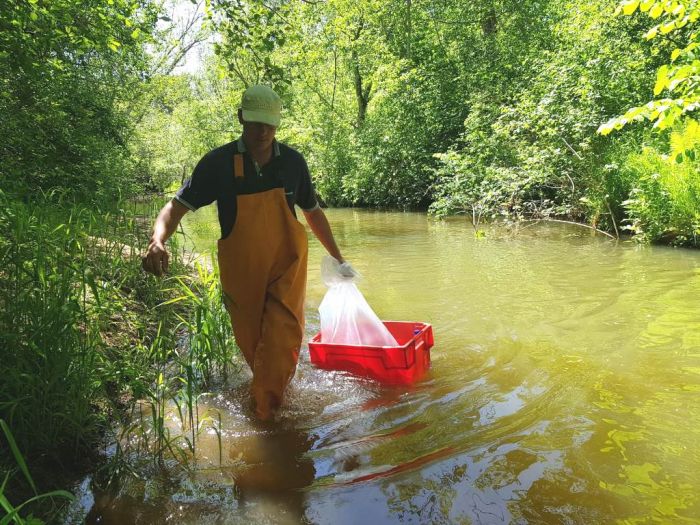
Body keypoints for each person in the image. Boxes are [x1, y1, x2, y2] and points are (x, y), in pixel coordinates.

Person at [142, 84, 355, 420]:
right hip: (242, 275)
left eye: (269, 124)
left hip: (288, 267)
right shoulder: (218, 164)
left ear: (278, 123)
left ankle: (268, 424)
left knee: (281, 342)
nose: (263, 131)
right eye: (255, 123)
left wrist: (339, 257)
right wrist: (158, 240)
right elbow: (176, 207)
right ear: (241, 117)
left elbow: (312, 212)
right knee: (255, 347)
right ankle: (274, 398)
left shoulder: (293, 164)